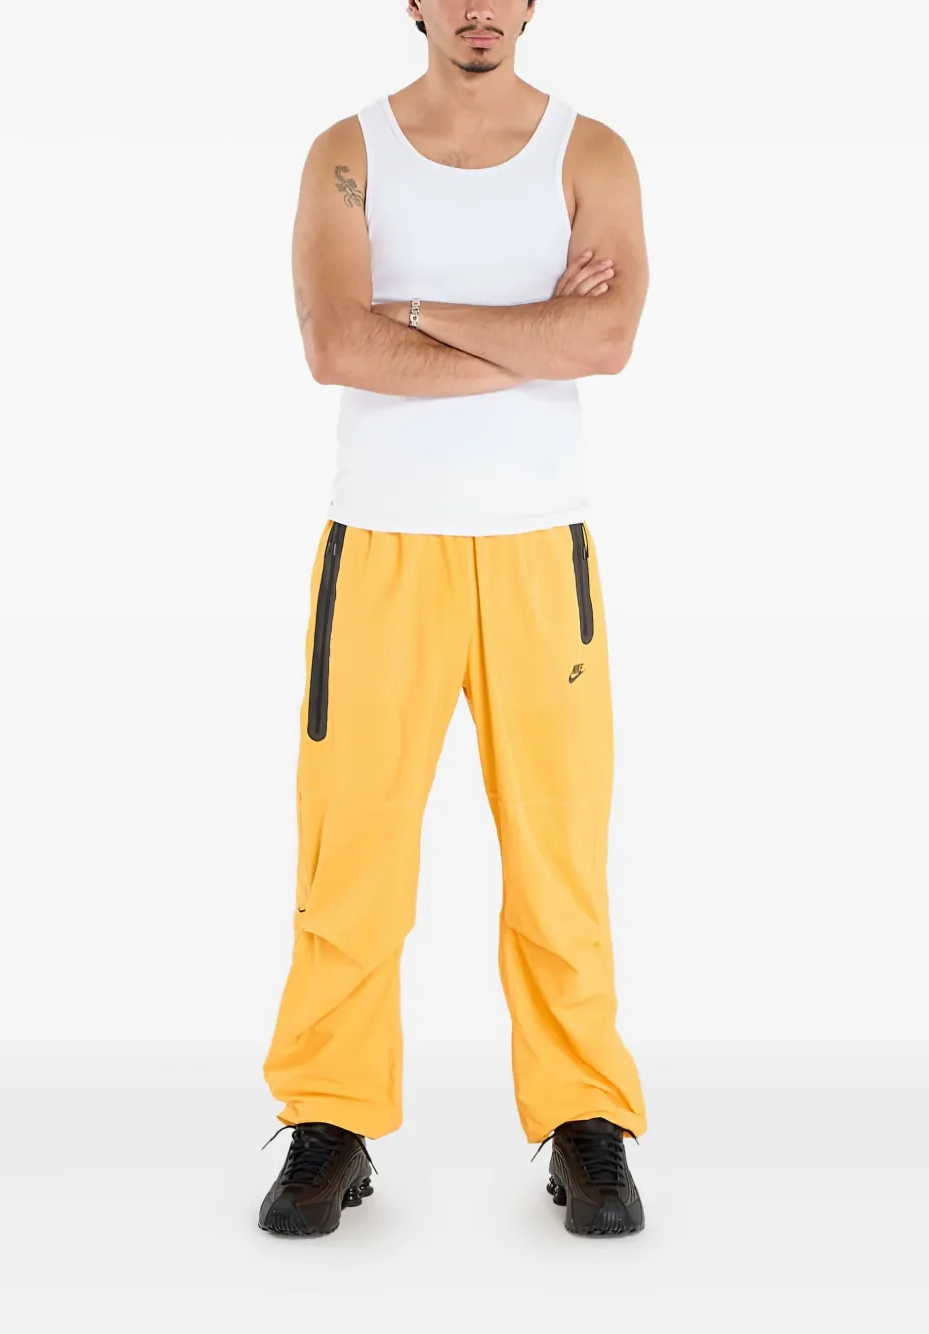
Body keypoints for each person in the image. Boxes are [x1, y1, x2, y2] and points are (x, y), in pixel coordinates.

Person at [259, 0, 650, 1239]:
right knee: (351, 852)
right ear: (414, 3)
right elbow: (335, 345)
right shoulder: (347, 154)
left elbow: (608, 336)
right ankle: (331, 1114)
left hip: (540, 550)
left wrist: (417, 310)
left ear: (531, 4)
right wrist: (536, 335)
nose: (478, 5)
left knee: (558, 852)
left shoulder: (592, 154)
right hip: (381, 546)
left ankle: (584, 1114)